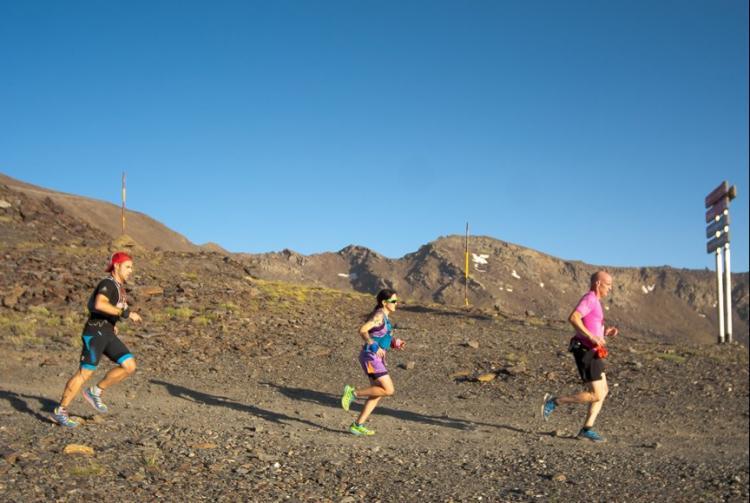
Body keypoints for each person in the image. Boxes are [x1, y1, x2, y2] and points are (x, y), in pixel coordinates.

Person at [51, 252, 142, 427]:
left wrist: (113, 322)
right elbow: (100, 304)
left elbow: (107, 310)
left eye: (132, 267)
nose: (131, 270)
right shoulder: (107, 283)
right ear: (116, 266)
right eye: (128, 266)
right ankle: (60, 411)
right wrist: (127, 314)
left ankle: (95, 391)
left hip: (108, 333)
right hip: (95, 333)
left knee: (129, 365)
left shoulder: (120, 288)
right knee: (85, 373)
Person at [541, 270, 618, 442]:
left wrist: (605, 332)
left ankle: (586, 429)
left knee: (603, 391)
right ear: (598, 283)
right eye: (608, 285)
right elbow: (574, 317)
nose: (610, 289)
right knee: (596, 394)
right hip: (585, 350)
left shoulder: (596, 302)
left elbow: (590, 326)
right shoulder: (590, 298)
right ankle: (554, 401)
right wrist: (591, 337)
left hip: (593, 350)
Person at [340, 289, 405, 436]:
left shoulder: (385, 318)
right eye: (393, 301)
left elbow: (380, 336)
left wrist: (394, 343)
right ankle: (353, 393)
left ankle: (357, 425)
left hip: (374, 358)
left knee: (377, 393)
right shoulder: (379, 315)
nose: (396, 303)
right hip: (371, 357)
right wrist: (373, 345)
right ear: (384, 302)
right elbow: (363, 330)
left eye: (397, 301)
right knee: (388, 390)